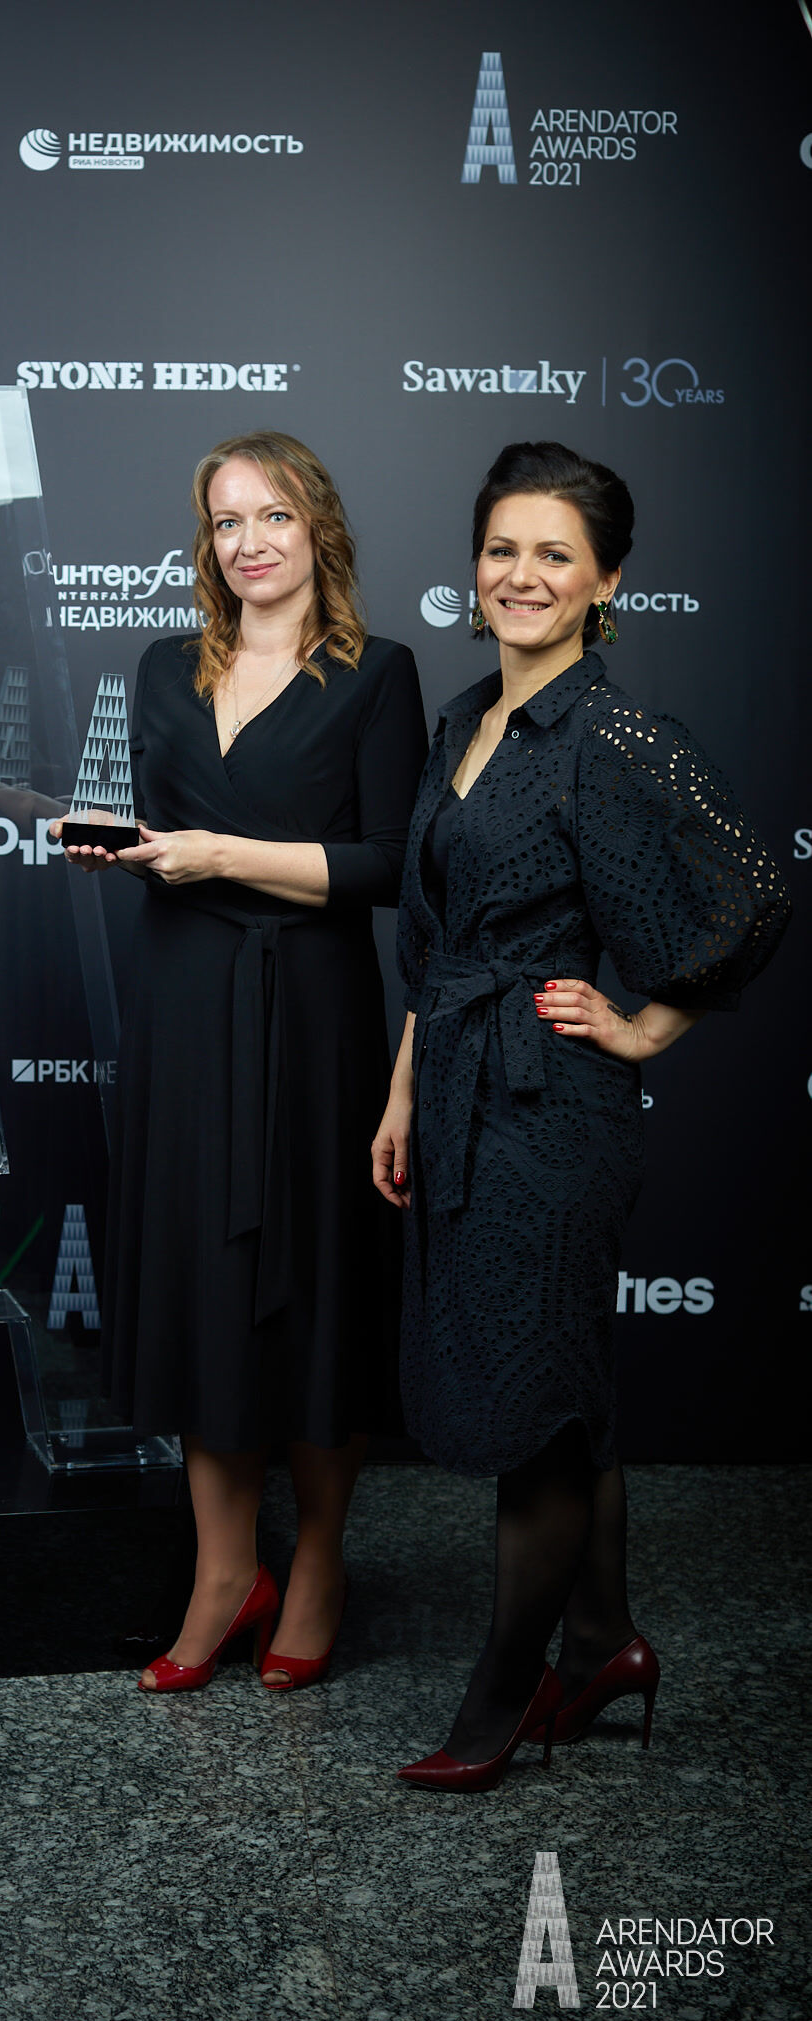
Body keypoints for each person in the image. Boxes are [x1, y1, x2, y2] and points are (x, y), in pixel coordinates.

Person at [372, 441, 790, 1790]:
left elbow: (750, 888)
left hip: (552, 1113)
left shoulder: (611, 736)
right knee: (565, 1394)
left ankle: (498, 1704)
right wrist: (401, 1093)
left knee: (537, 1404)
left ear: (607, 580)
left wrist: (649, 1024)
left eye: (555, 554)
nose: (522, 574)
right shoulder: (462, 721)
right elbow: (435, 944)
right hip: (455, 1088)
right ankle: (604, 1641)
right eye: (503, 548)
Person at [59, 432, 426, 1692]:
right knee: (202, 1290)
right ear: (205, 542)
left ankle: (315, 1558)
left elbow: (391, 867)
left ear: (318, 526)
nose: (250, 541)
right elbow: (156, 832)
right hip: (181, 1006)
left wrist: (222, 853)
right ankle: (225, 1570)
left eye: (273, 515)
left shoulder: (378, 673)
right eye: (227, 521)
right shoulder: (162, 668)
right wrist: (118, 845)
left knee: (312, 1288)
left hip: (312, 1016)